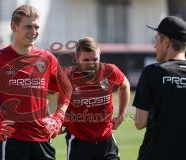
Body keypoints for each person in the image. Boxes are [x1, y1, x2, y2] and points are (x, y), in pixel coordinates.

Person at [0, 5, 72, 160]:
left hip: (44, 139)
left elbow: (67, 88)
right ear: (13, 26)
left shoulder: (48, 59)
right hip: (12, 140)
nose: (33, 32)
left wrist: (58, 117)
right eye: (28, 27)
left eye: (36, 27)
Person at [62, 37, 130, 160]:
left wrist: (122, 115)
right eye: (86, 60)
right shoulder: (67, 76)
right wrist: (57, 120)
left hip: (106, 141)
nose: (91, 64)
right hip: (79, 142)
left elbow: (125, 85)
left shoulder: (110, 71)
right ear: (77, 58)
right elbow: (49, 94)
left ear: (100, 55)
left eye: (95, 59)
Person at [133, 16, 186, 160]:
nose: (155, 45)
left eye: (156, 39)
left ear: (166, 42)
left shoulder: (152, 72)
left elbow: (139, 122)